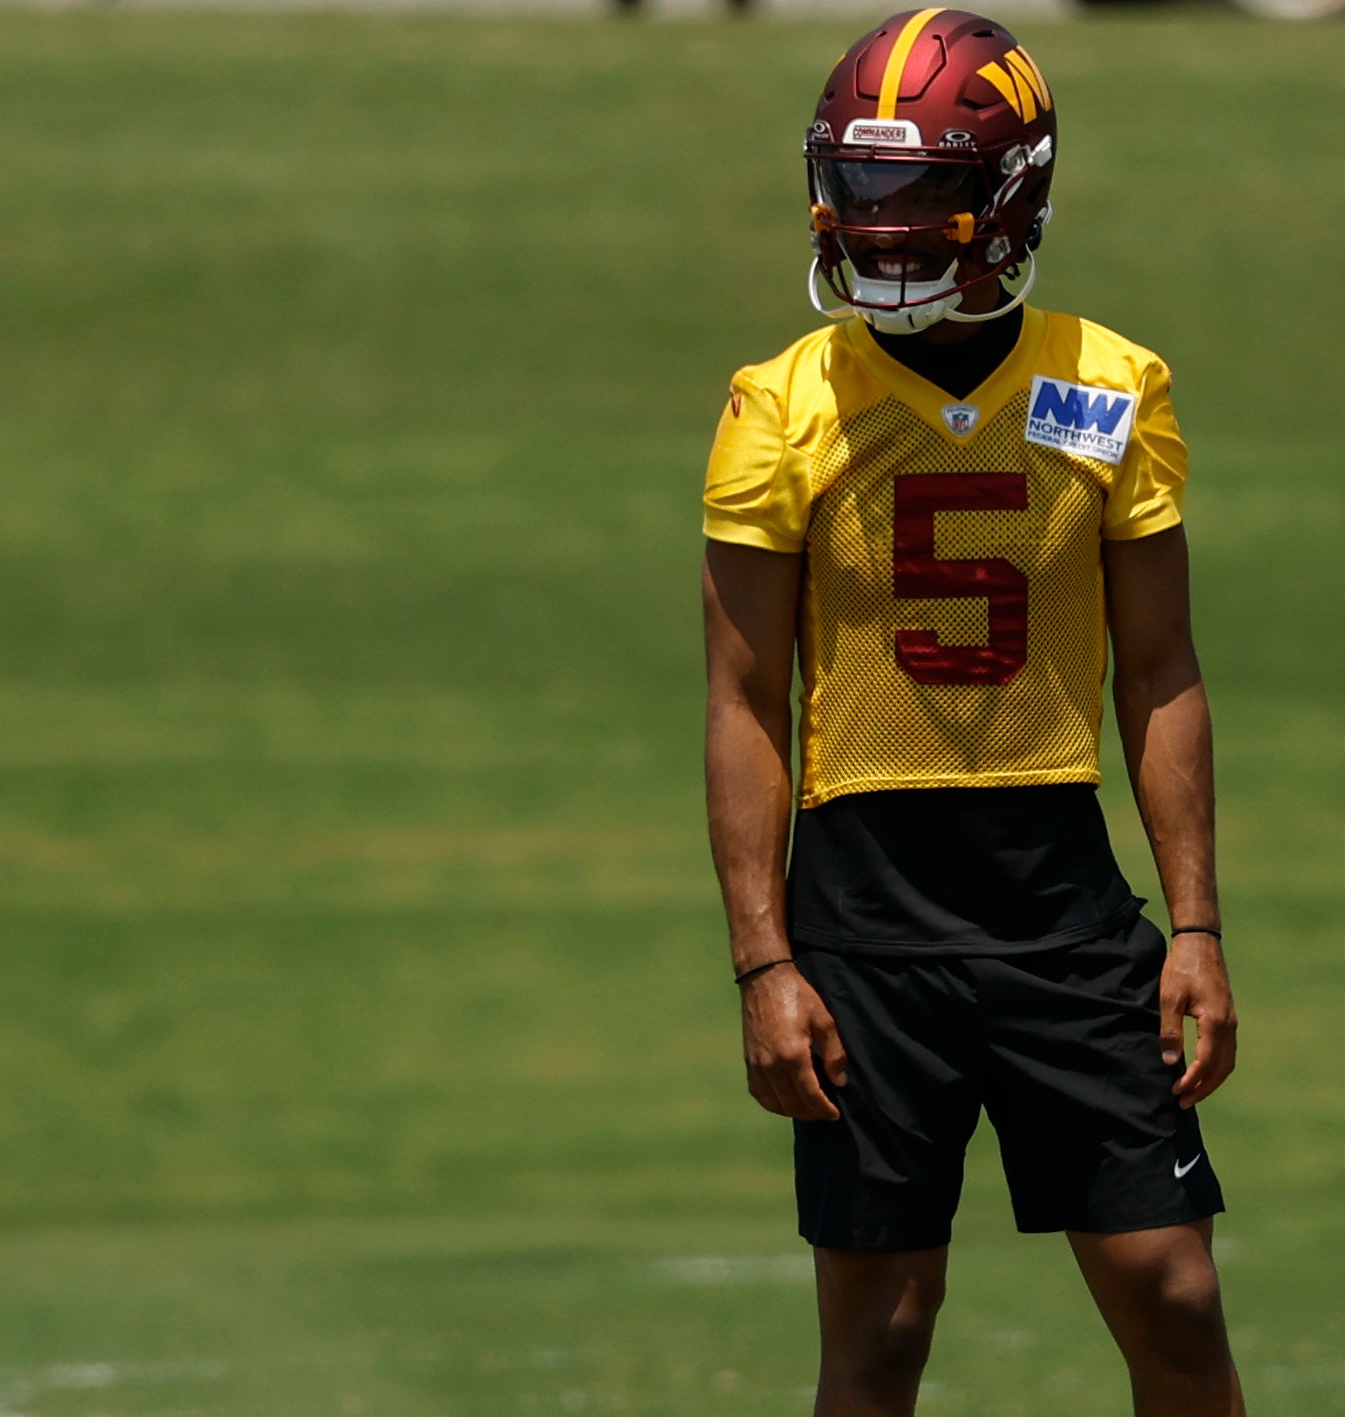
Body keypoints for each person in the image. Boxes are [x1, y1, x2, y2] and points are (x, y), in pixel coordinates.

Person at [698, 10, 1244, 1414]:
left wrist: (1193, 926)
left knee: (1175, 1298)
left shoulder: (1109, 386)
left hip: (1059, 900)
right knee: (879, 1336)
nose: (879, 222)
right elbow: (743, 699)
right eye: (857, 184)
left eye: (918, 189)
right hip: (865, 915)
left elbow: (1160, 669)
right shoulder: (779, 405)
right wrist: (763, 962)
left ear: (1010, 194)